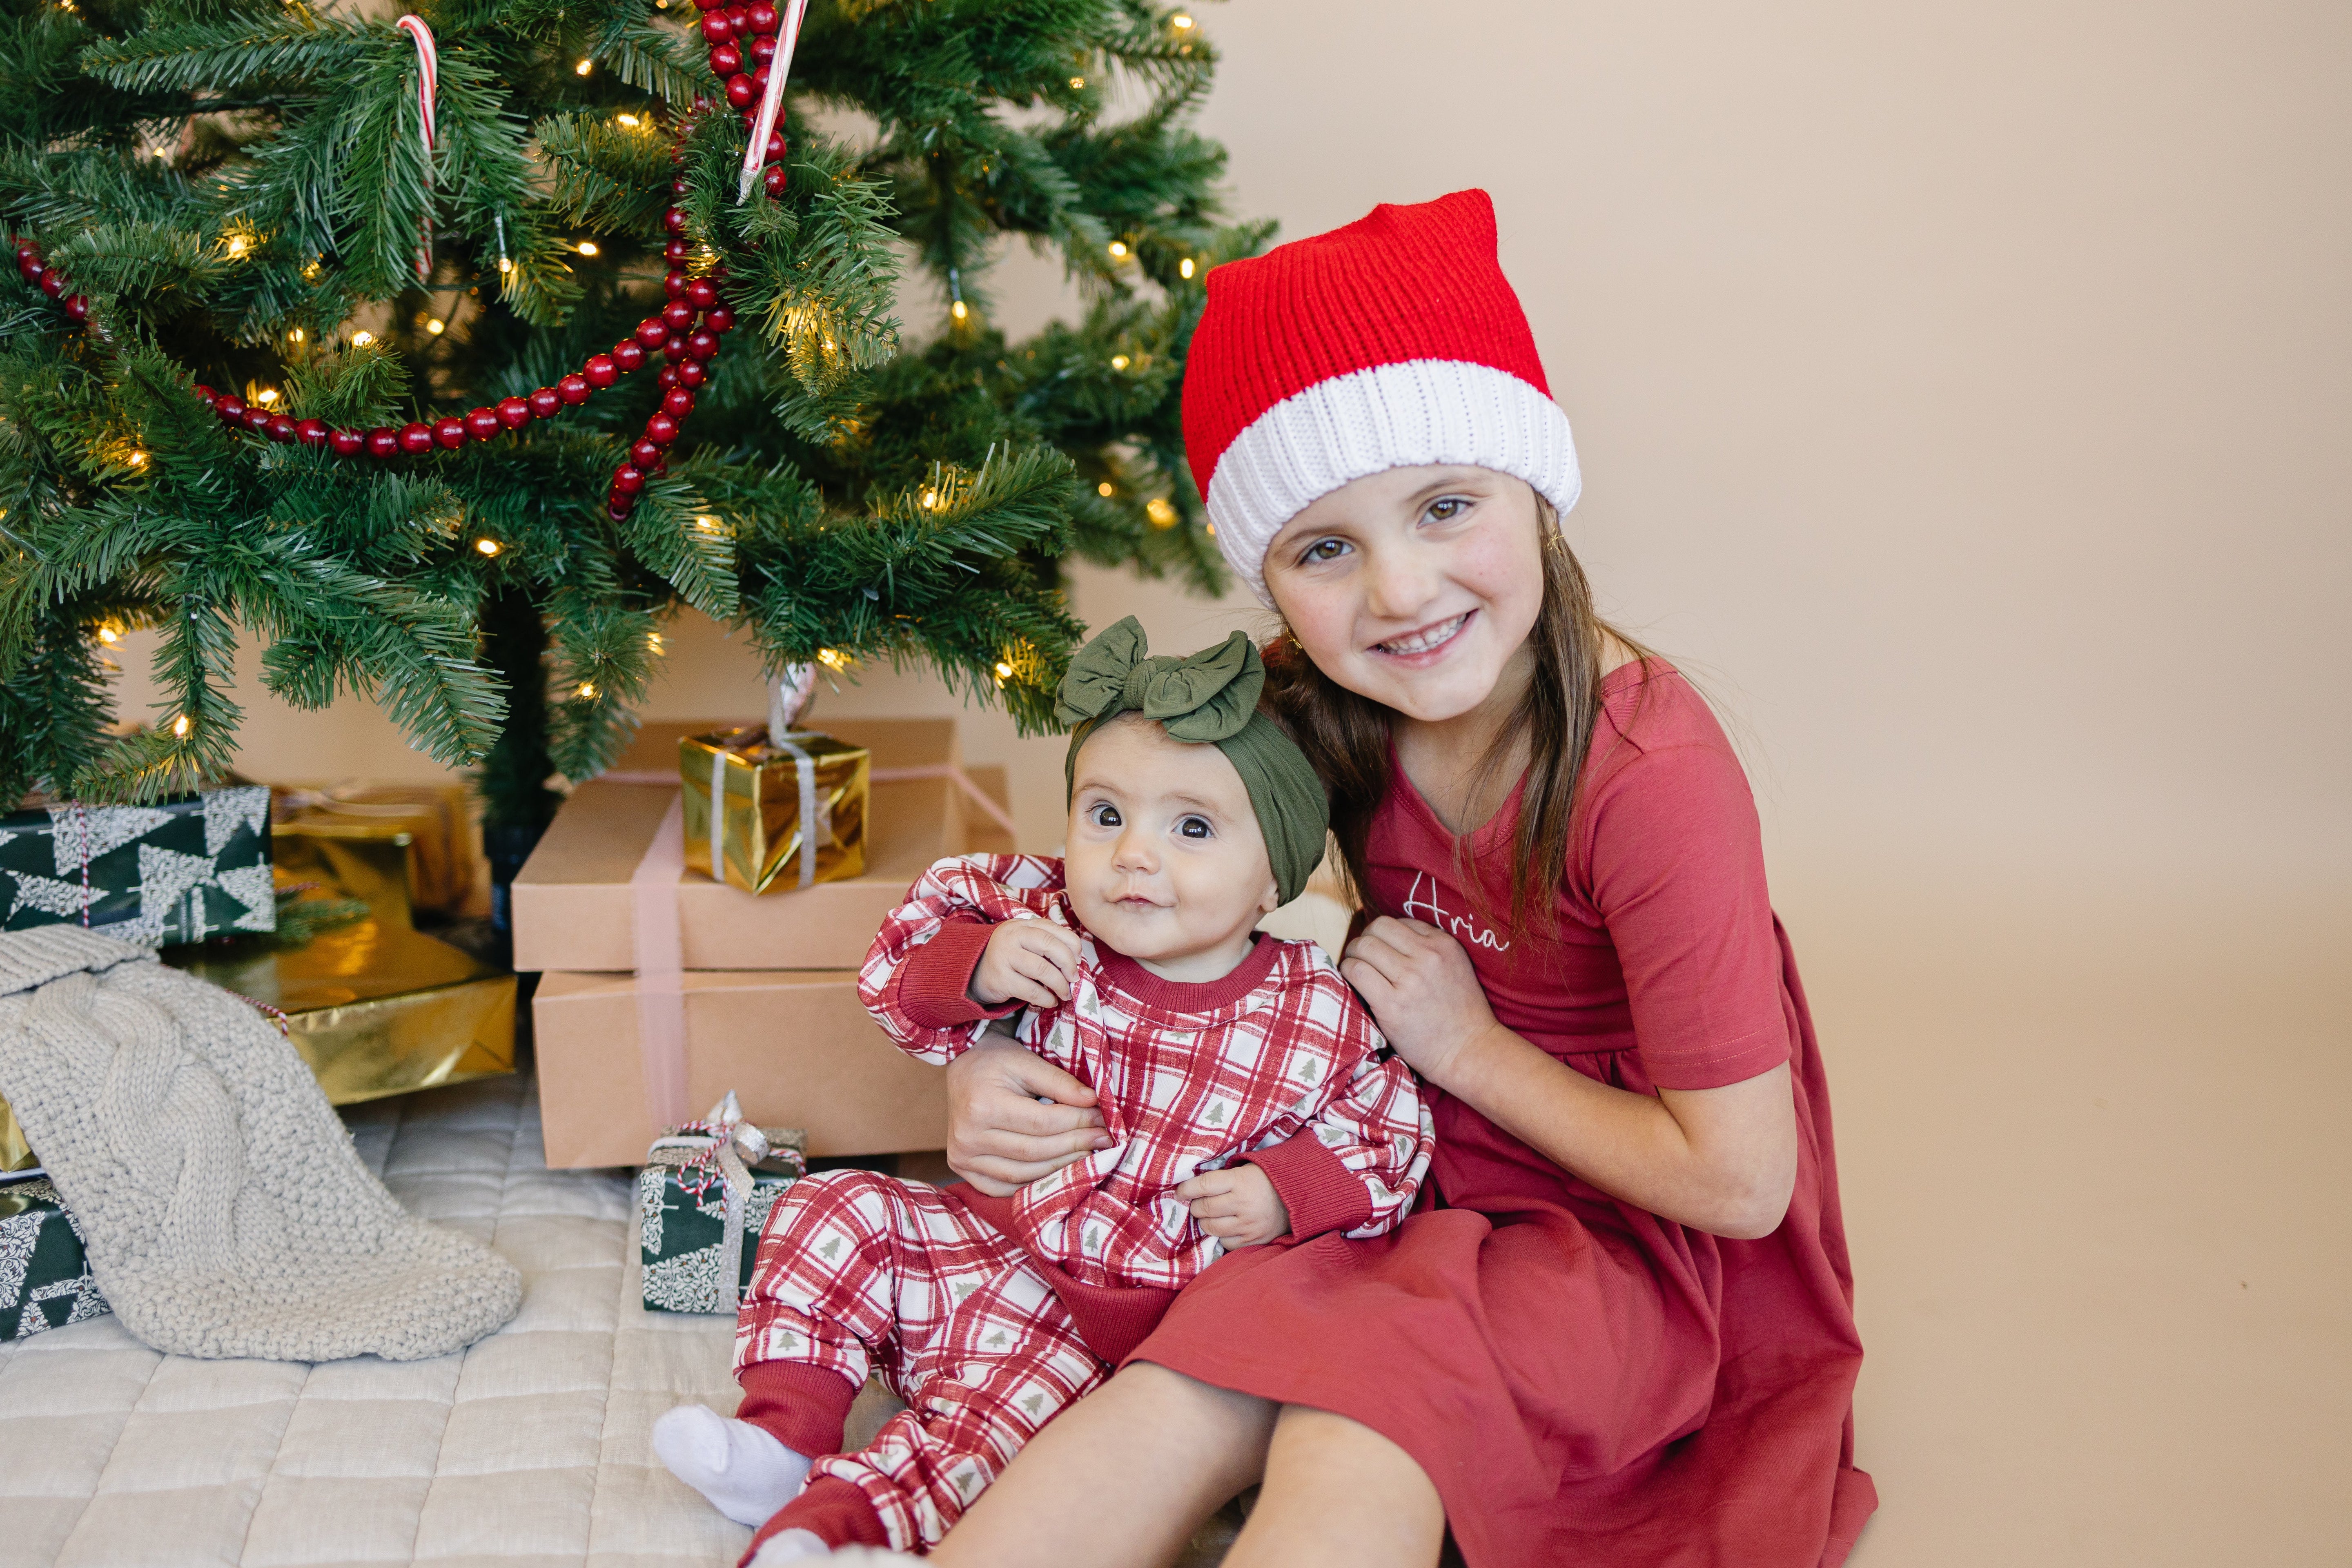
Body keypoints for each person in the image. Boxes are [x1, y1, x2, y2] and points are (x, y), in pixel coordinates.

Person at [922, 189, 1877, 1567]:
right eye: (1326, 549)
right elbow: (1123, 869)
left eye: (1444, 508)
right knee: (1189, 1378)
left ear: (1535, 495)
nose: (1402, 592)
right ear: (1274, 581)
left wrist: (1469, 1050)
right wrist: (990, 1040)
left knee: (1356, 1419)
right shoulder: (1325, 704)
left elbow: (1739, 1186)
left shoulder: (1648, 775)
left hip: (1611, 1234)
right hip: (1365, 1158)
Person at [653, 621, 1432, 1564]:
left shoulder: (1311, 1012)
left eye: (1191, 828)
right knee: (834, 1207)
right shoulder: (1044, 912)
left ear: (1274, 875)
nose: (1134, 855)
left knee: (989, 1422)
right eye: (1107, 814)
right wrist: (977, 965)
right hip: (977, 1236)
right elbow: (899, 954)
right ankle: (783, 1438)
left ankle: (835, 1531)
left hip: (1102, 1312)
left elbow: (1390, 1132)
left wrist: (1284, 1191)